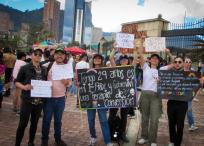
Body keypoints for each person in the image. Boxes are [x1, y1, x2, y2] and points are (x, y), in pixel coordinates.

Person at [41, 47, 73, 146]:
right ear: (54, 55)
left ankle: (57, 139)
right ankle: (44, 140)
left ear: (65, 56)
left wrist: (66, 82)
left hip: (61, 99)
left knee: (58, 121)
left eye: (62, 54)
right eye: (57, 54)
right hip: (48, 98)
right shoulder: (48, 65)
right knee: (46, 119)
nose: (59, 55)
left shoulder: (67, 67)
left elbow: (70, 83)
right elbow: (37, 68)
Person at [15, 48, 47, 146]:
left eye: (39, 55)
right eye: (36, 54)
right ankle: (17, 143)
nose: (38, 56)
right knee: (23, 123)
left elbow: (45, 82)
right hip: (27, 100)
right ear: (32, 55)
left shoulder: (44, 69)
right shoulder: (25, 68)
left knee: (34, 123)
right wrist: (24, 87)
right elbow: (16, 82)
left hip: (39, 101)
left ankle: (31, 142)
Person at [81, 54, 113, 146]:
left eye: (99, 58)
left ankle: (107, 140)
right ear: (93, 60)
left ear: (102, 60)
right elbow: (83, 83)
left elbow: (110, 83)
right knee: (90, 120)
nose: (97, 59)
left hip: (102, 99)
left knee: (103, 120)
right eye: (95, 58)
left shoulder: (106, 71)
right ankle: (93, 137)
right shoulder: (87, 71)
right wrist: (79, 84)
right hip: (90, 99)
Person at [136, 49, 162, 146]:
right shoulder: (145, 67)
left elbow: (173, 64)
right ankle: (144, 137)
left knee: (155, 119)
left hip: (156, 96)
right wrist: (142, 42)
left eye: (156, 58)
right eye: (153, 58)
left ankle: (153, 140)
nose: (155, 59)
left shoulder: (161, 71)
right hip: (144, 95)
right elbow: (140, 54)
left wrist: (168, 53)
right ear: (150, 60)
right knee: (145, 118)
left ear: (159, 61)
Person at [108, 46, 130, 143]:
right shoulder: (115, 68)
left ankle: (122, 134)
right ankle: (109, 133)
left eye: (126, 59)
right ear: (120, 61)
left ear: (128, 61)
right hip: (116, 95)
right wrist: (114, 48)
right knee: (112, 114)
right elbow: (111, 58)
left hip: (126, 96)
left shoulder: (130, 69)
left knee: (124, 116)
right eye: (122, 59)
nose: (124, 61)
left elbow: (136, 57)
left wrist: (137, 48)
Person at [183, 58, 198, 131]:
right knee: (180, 110)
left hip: (188, 94)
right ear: (183, 63)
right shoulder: (179, 71)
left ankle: (191, 125)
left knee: (189, 110)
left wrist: (194, 94)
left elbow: (195, 84)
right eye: (186, 62)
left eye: (189, 62)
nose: (188, 63)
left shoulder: (192, 72)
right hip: (179, 94)